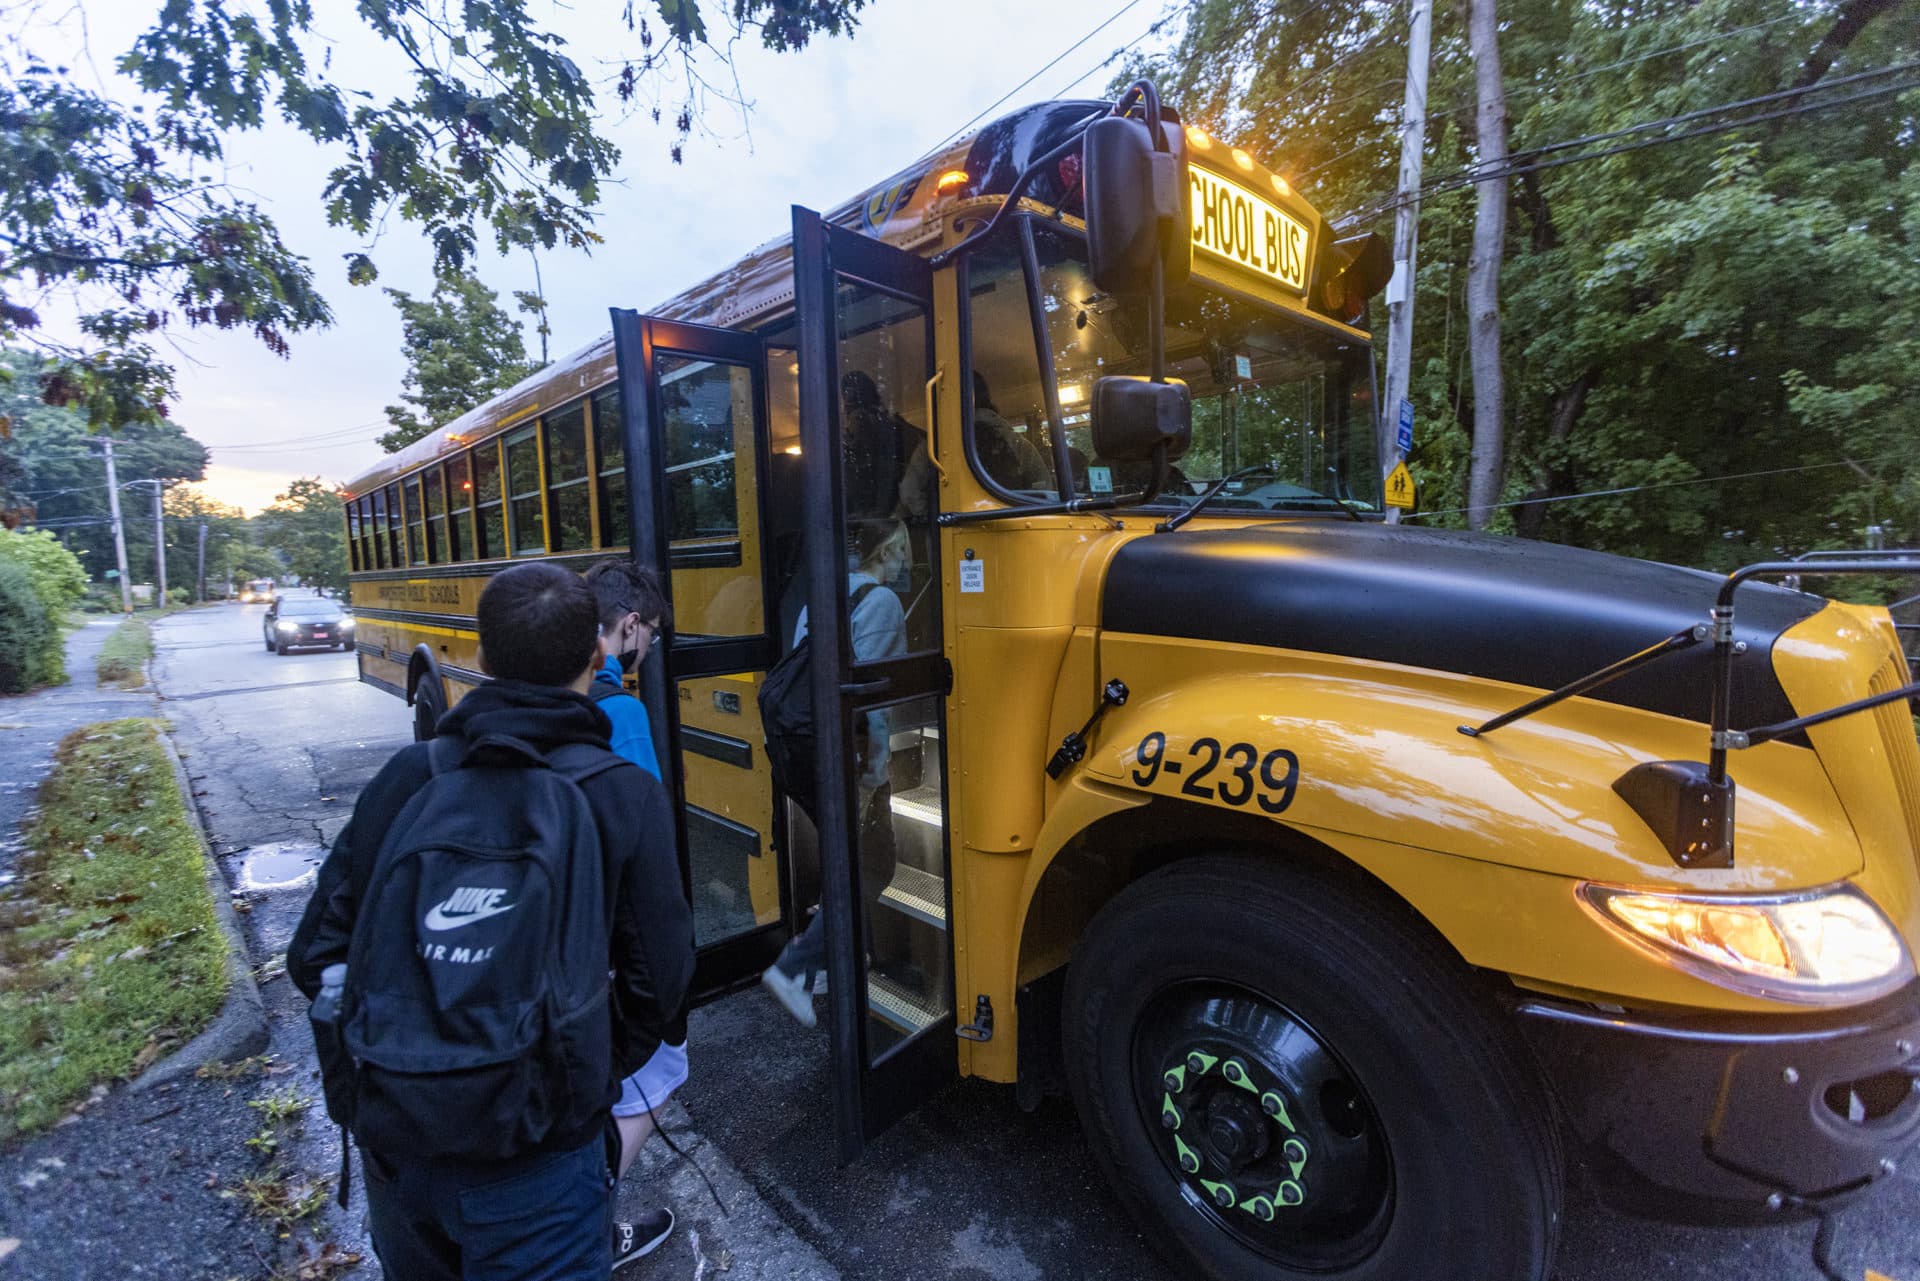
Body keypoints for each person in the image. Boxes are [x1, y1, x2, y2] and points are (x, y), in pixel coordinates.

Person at [289, 562, 694, 1280]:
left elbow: (314, 954)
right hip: (538, 1158)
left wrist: (406, 1064)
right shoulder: (621, 793)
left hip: (399, 1153)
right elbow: (662, 985)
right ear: (596, 655)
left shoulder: (409, 779)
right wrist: (572, 1079)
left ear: (479, 657)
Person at [760, 519, 910, 1025]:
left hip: (809, 752)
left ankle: (838, 956)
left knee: (845, 858)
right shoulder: (884, 603)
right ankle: (799, 966)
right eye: (905, 547)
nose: (909, 559)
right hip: (851, 755)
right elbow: (873, 699)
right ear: (887, 549)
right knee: (876, 862)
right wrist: (874, 775)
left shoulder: (824, 594)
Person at [581, 559, 687, 1267]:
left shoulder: (542, 695)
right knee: (662, 1065)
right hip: (608, 947)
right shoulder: (621, 710)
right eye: (648, 635)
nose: (647, 650)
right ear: (628, 627)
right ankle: (585, 1226)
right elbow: (644, 845)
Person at [897, 371, 1053, 518]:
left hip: (952, 530)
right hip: (1016, 529)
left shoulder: (931, 446)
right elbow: (1043, 490)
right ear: (987, 399)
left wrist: (931, 515)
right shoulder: (1018, 443)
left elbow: (909, 492)